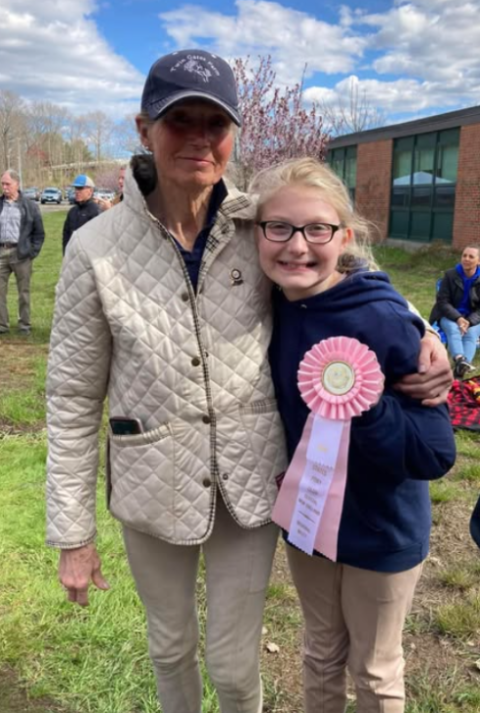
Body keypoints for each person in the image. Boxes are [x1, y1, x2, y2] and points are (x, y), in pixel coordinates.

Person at [45, 50, 452, 713]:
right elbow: (67, 397)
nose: (201, 139)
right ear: (144, 129)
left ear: (234, 134)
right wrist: (72, 533)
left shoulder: (255, 223)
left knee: (235, 667)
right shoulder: (95, 249)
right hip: (152, 482)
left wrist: (418, 326)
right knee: (171, 645)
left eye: (217, 123)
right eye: (182, 121)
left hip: (251, 482)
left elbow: (340, 257)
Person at [252, 157, 456, 713]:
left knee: (374, 669)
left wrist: (364, 407)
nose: (297, 246)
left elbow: (437, 453)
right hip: (309, 519)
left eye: (317, 229)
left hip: (382, 530)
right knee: (319, 653)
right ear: (258, 233)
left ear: (343, 236)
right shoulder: (266, 305)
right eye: (279, 227)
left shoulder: (385, 320)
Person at [0, 169, 45, 334]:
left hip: (21, 254)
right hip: (1, 252)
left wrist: (31, 253)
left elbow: (39, 233)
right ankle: (2, 325)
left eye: (7, 184)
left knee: (23, 292)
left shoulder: (30, 206)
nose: (4, 187)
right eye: (2, 184)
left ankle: (24, 325)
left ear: (17, 184)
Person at [429, 245, 480, 379]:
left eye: (471, 256)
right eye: (464, 255)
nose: (466, 259)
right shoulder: (450, 275)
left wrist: (469, 321)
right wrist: (458, 318)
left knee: (472, 333)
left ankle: (460, 371)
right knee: (453, 329)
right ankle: (459, 360)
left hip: (472, 318)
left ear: (478, 261)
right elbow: (442, 301)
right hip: (448, 315)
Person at [62, 174, 100, 255]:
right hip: (72, 258)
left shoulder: (96, 211)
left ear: (90, 191)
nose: (77, 191)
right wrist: (65, 254)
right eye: (76, 188)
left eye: (80, 188)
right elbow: (66, 235)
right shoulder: (72, 211)